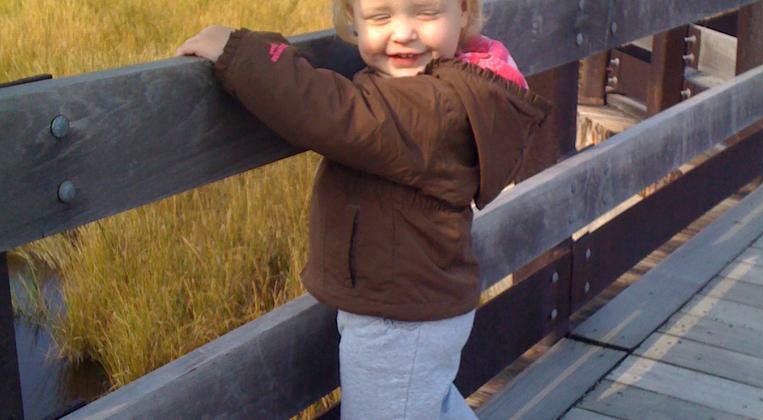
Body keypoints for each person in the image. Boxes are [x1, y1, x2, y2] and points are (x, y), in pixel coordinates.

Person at [176, 0, 550, 418]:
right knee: (428, 405)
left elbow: (336, 113)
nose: (403, 32)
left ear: (463, 12)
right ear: (352, 19)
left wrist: (238, 52)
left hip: (398, 320)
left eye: (425, 12)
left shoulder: (438, 106)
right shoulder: (455, 80)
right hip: (411, 304)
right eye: (380, 16)